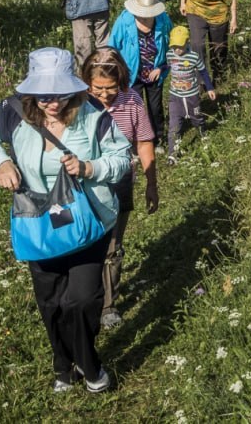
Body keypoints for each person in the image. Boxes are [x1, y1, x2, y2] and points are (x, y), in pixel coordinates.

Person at [0, 47, 130, 394]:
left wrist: (90, 168)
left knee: (82, 300)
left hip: (90, 220)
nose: (52, 103)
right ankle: (62, 366)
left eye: (59, 94)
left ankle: (89, 365)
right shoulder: (10, 113)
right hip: (39, 219)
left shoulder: (93, 115)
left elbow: (121, 158)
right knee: (51, 301)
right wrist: (0, 161)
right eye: (43, 96)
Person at [79, 47, 158, 331]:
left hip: (119, 184)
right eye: (97, 88)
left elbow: (145, 142)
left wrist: (151, 184)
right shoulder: (77, 102)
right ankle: (83, 298)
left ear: (122, 81)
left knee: (112, 247)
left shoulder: (131, 100)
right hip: (83, 186)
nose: (103, 95)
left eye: (110, 88)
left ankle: (107, 305)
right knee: (84, 244)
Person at [108, 0, 172, 145]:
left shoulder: (163, 20)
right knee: (134, 108)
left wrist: (163, 67)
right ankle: (135, 141)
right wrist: (116, 70)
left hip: (155, 71)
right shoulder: (124, 20)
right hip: (131, 73)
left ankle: (157, 139)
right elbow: (112, 47)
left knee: (155, 108)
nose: (145, 17)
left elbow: (173, 43)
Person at [164, 25, 217, 165]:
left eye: (180, 46)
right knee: (174, 125)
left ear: (187, 42)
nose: (177, 50)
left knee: (197, 118)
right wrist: (158, 70)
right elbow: (166, 66)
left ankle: (202, 133)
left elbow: (203, 72)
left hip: (192, 96)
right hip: (175, 97)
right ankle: (172, 154)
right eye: (174, 46)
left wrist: (210, 88)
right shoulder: (170, 55)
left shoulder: (193, 57)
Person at [180, 0, 238, 77]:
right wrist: (182, 3)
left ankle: (218, 76)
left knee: (218, 48)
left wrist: (234, 20)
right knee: (197, 44)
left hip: (217, 17)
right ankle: (201, 78)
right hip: (195, 12)